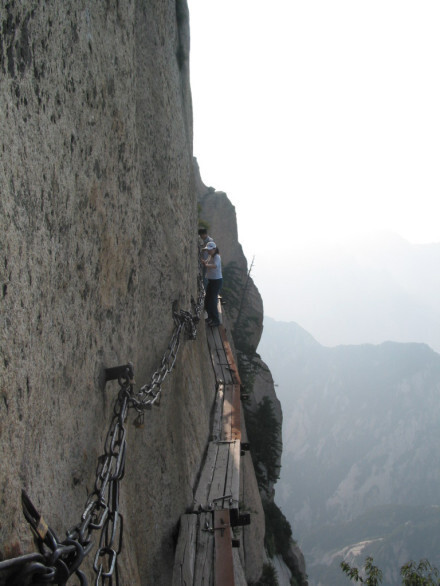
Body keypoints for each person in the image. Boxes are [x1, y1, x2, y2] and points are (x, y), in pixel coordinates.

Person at [202, 241, 222, 327]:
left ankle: (216, 320)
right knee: (207, 299)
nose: (208, 251)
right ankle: (210, 317)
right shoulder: (211, 256)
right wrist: (204, 262)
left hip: (216, 281)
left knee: (213, 300)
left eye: (209, 250)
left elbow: (215, 265)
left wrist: (206, 265)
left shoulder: (217, 257)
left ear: (214, 249)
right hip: (212, 280)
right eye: (208, 250)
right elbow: (207, 262)